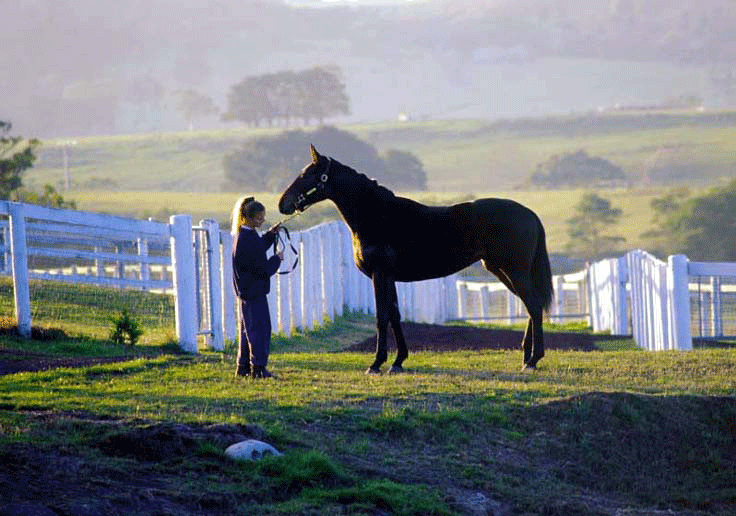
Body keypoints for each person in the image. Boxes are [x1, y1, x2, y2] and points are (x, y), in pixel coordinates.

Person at [231, 196, 283, 378]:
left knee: (248, 330)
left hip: (247, 291)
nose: (262, 221)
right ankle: (258, 368)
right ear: (248, 218)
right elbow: (262, 269)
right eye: (259, 218)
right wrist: (277, 260)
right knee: (260, 329)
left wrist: (270, 234)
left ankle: (243, 366)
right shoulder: (248, 240)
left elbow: (259, 248)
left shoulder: (245, 235)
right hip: (254, 292)